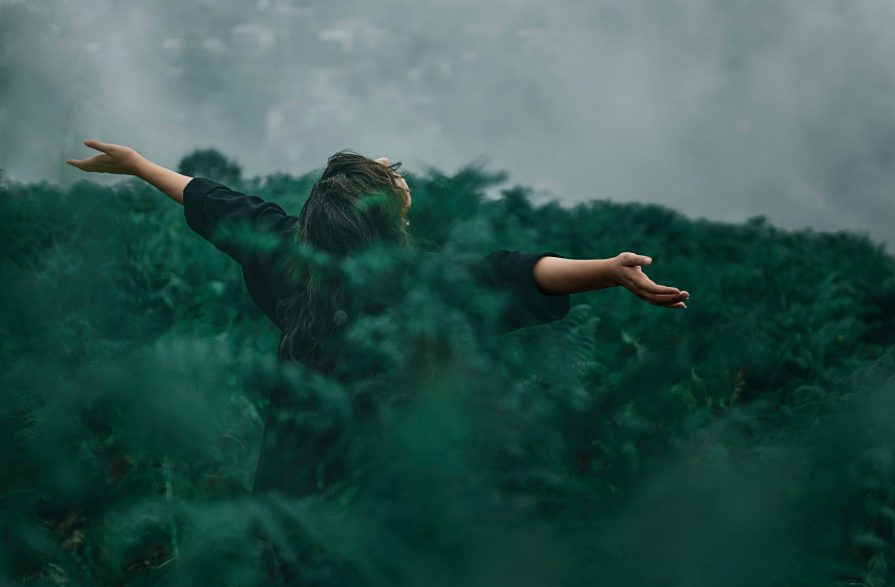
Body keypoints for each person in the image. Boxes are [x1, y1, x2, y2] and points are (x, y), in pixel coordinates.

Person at [67, 139, 690, 497]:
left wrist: (138, 164)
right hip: (388, 489)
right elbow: (512, 271)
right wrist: (607, 270)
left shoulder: (284, 248)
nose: (403, 187)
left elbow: (209, 200)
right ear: (386, 221)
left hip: (290, 483)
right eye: (398, 191)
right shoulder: (413, 280)